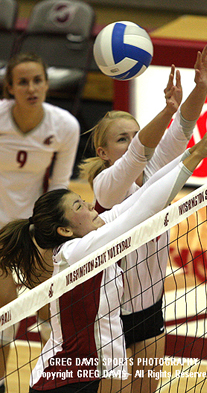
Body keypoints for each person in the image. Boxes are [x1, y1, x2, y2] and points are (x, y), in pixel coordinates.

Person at [0, 112, 207, 392]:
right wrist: (194, 157)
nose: (90, 206)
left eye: (83, 201)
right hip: (67, 379)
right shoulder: (76, 251)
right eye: (79, 207)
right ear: (64, 230)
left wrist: (197, 151)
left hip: (98, 369)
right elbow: (143, 210)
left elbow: (145, 197)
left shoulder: (94, 234)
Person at [79, 42, 207, 393]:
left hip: (151, 307)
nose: (134, 142)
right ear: (103, 152)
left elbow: (182, 128)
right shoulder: (105, 185)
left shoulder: (154, 170)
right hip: (111, 315)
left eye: (134, 134)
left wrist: (201, 87)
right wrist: (166, 110)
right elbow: (138, 153)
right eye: (122, 139)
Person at [0, 52, 80, 393]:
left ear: (47, 84)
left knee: (51, 308)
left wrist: (47, 233)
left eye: (37, 81)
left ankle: (55, 381)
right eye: (23, 82)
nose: (31, 88)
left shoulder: (64, 126)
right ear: (10, 88)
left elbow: (59, 186)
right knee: (4, 313)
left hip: (34, 225)